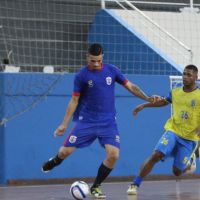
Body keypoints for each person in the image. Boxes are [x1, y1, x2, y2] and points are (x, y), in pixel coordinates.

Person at [42, 43, 159, 199]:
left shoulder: (112, 70)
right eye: (92, 61)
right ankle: (55, 160)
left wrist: (148, 98)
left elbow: (131, 87)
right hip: (87, 122)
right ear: (87, 58)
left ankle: (96, 187)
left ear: (102, 57)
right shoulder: (81, 76)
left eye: (98, 60)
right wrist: (64, 124)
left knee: (114, 155)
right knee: (64, 152)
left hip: (108, 123)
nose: (96, 64)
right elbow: (74, 101)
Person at [127, 64, 200, 195]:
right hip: (174, 131)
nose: (185, 77)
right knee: (156, 154)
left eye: (189, 75)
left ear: (196, 77)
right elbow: (163, 102)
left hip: (190, 138)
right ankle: (135, 184)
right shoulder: (176, 92)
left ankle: (190, 163)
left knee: (177, 172)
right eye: (184, 74)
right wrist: (144, 105)